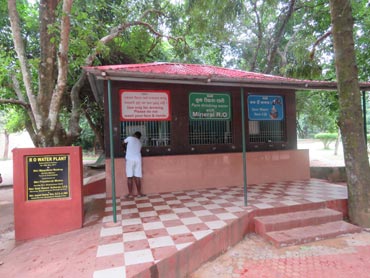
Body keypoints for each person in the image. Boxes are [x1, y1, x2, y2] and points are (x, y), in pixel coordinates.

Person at [123, 131, 145, 199]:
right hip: (138, 160)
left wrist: (125, 150)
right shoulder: (139, 143)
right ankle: (139, 193)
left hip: (130, 159)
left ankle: (130, 194)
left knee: (130, 177)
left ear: (134, 135)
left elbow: (123, 143)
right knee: (137, 177)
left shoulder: (129, 138)